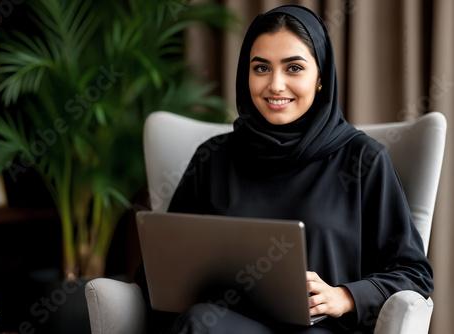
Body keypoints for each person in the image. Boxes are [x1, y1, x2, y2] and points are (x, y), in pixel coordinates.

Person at [135, 5, 434, 334]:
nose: (275, 85)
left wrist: (345, 296)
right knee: (197, 323)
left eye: (293, 68)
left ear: (321, 77)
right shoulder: (214, 158)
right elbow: (164, 266)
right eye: (261, 68)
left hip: (322, 330)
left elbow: (413, 272)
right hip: (228, 325)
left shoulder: (362, 159)